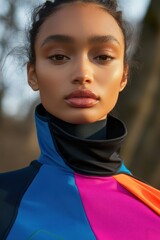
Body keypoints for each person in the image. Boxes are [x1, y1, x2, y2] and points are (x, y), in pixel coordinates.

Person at [0, 0, 160, 239]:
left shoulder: (154, 211)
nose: (83, 74)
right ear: (32, 75)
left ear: (124, 76)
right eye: (59, 57)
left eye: (103, 57)